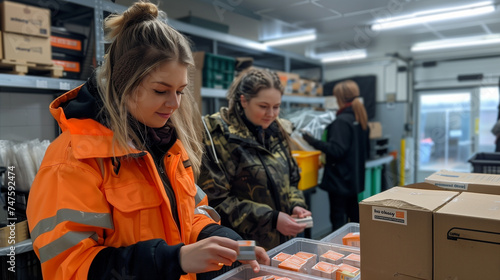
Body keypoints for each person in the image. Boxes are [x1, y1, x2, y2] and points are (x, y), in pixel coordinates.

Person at [26, 2, 268, 280]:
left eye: (180, 91)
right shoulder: (73, 161)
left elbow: (190, 213)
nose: (174, 103)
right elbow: (68, 268)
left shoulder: (165, 143)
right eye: (161, 90)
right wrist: (173, 259)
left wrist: (223, 239)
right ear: (124, 82)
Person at [199, 68, 312, 251]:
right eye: (263, 106)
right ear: (243, 100)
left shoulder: (276, 132)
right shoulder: (218, 137)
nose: (272, 114)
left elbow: (291, 180)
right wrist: (272, 219)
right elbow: (215, 204)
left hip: (280, 244)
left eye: (276, 107)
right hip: (243, 249)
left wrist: (295, 204)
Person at [302, 80, 370, 232]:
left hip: (340, 181)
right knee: (354, 218)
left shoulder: (341, 121)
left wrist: (312, 141)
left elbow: (336, 150)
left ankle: (339, 251)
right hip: (353, 179)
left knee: (338, 220)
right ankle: (355, 249)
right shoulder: (360, 118)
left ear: (339, 98)